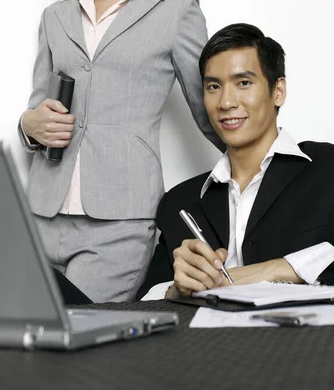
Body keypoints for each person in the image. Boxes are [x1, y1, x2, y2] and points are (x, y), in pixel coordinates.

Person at [19, 0, 222, 303]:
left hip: (119, 226)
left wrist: (276, 169)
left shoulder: (177, 9)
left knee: (86, 353)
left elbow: (211, 110)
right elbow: (39, 108)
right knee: (23, 349)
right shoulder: (56, 16)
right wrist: (28, 125)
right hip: (40, 216)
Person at [138, 23, 334, 300]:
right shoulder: (180, 201)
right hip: (203, 341)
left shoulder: (327, 168)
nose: (226, 102)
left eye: (243, 83)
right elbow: (145, 302)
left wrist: (278, 269)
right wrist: (176, 289)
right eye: (214, 86)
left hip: (304, 340)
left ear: (278, 91)